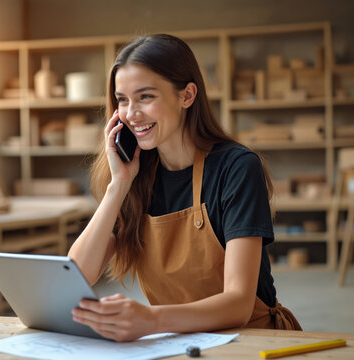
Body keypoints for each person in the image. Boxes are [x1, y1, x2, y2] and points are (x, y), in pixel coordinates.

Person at [68, 33, 301, 342]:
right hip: (177, 340)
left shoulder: (237, 168)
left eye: (146, 97)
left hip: (250, 340)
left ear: (187, 95)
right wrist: (118, 186)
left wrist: (150, 319)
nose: (131, 114)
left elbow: (238, 304)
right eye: (122, 100)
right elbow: (76, 278)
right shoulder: (134, 179)